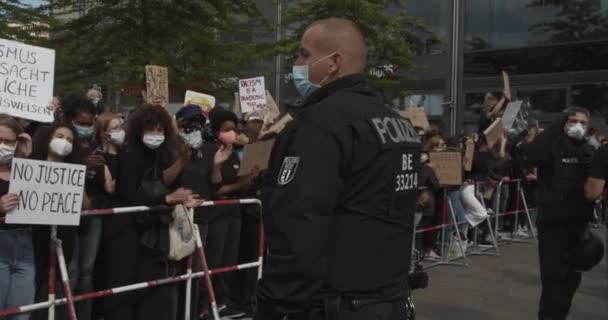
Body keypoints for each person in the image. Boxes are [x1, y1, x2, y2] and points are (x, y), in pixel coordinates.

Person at [255, 18, 421, 320]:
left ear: (333, 63)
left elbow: (298, 223)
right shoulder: (399, 124)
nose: (297, 63)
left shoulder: (319, 124)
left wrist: (274, 305)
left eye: (304, 54)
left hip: (333, 303)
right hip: (390, 299)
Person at [116, 104, 200, 320]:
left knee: (155, 288)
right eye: (151, 130)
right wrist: (167, 199)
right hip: (128, 232)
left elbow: (160, 182)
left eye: (160, 130)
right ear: (139, 130)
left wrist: (180, 198)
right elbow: (128, 195)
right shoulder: (129, 155)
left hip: (154, 230)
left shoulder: (161, 153)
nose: (156, 135)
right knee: (130, 287)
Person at [527, 107, 597, 320]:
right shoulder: (553, 146)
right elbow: (533, 154)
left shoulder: (588, 150)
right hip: (553, 225)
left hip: (577, 226)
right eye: (572, 120)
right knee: (552, 280)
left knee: (570, 280)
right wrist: (558, 123)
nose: (577, 125)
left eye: (582, 122)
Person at [173, 105, 232, 320]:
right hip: (177, 217)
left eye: (199, 120)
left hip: (203, 218)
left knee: (197, 270)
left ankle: (197, 311)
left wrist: (217, 165)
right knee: (178, 269)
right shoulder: (173, 147)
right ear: (179, 123)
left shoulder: (209, 149)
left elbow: (215, 185)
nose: (194, 125)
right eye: (190, 121)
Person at [198, 107, 255, 319]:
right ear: (216, 131)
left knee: (229, 259)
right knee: (214, 259)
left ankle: (223, 302)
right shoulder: (210, 152)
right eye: (226, 129)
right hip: (216, 214)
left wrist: (247, 180)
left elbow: (238, 182)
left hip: (234, 212)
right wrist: (236, 186)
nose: (232, 133)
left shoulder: (235, 153)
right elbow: (216, 188)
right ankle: (206, 304)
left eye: (234, 128)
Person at [30, 122, 84, 320]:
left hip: (65, 232)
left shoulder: (76, 169)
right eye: (60, 136)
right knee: (35, 280)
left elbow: (83, 205)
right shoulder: (31, 164)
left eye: (70, 140)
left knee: (57, 283)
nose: (65, 142)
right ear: (48, 138)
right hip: (36, 232)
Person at [0, 115, 33, 320]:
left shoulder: (24, 169)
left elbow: (38, 199)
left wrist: (26, 157)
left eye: (9, 141)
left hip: (26, 248)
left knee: (21, 314)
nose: (3, 145)